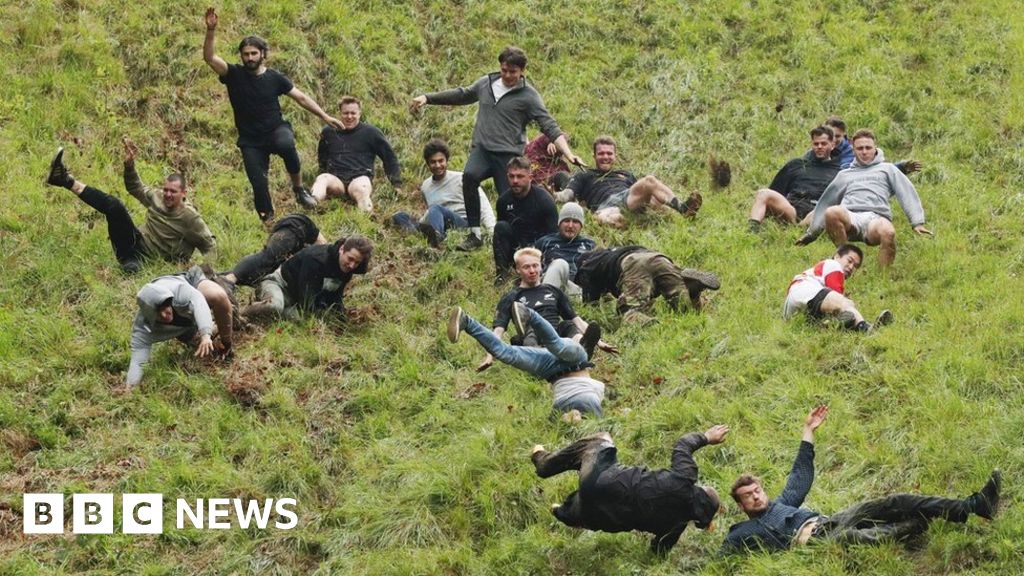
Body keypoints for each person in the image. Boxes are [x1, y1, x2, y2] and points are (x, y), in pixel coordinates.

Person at [722, 405, 1002, 553]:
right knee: (853, 538)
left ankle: (974, 506)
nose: (756, 496)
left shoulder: (783, 503)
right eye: (748, 495)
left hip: (829, 521)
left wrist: (808, 430)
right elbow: (723, 558)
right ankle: (916, 525)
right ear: (741, 505)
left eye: (756, 490)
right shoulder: (741, 533)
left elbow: (800, 474)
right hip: (817, 542)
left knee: (896, 501)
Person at [410, 46, 584, 251]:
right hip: (482, 149)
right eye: (504, 70)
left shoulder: (528, 96)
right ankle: (475, 234)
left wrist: (568, 153)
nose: (508, 75)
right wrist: (428, 98)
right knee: (469, 177)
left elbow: (549, 125)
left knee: (509, 199)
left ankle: (517, 241)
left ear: (522, 72)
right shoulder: (486, 83)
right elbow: (462, 94)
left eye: (513, 72)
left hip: (508, 155)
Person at [203, 7, 343, 222]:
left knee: (286, 144)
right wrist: (211, 30)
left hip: (276, 129)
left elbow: (301, 98)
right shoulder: (233, 74)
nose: (250, 58)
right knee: (258, 183)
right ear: (241, 56)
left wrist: (324, 116)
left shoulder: (275, 78)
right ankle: (268, 221)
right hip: (250, 140)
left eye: (254, 53)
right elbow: (210, 57)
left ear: (263, 55)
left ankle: (298, 189)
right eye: (246, 54)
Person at [530, 424, 729, 554]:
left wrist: (706, 437)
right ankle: (562, 512)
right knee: (590, 512)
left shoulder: (685, 479)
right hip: (603, 516)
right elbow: (658, 550)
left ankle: (544, 463)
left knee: (601, 440)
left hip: (601, 480)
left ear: (700, 491)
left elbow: (683, 445)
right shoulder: (676, 525)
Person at [45, 139, 216, 274]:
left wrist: (203, 272)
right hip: (133, 243)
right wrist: (129, 166)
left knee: (132, 270)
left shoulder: (190, 218)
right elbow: (135, 187)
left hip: (150, 261)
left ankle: (130, 263)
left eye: (173, 192)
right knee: (114, 205)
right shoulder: (157, 197)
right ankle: (65, 180)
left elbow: (209, 246)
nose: (168, 195)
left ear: (184, 193)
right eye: (166, 190)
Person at [797, 129, 932, 268]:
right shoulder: (845, 174)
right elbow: (825, 202)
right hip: (850, 216)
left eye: (868, 148)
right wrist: (812, 233)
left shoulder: (888, 169)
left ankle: (883, 277)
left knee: (888, 232)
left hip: (875, 218)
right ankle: (844, 261)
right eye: (860, 148)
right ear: (853, 150)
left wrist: (917, 222)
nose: (864, 151)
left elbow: (906, 192)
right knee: (832, 212)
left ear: (875, 148)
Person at [448, 302, 606, 417]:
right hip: (578, 360)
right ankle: (529, 314)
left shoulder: (558, 413)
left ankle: (467, 322)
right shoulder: (593, 405)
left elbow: (556, 424)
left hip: (550, 371)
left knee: (507, 353)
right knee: (556, 345)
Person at [478, 248, 616, 373]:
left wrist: (598, 342)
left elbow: (577, 320)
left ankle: (582, 347)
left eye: (535, 266)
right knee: (527, 334)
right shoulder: (511, 297)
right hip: (531, 338)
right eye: (526, 267)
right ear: (517, 270)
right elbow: (498, 331)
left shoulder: (553, 291)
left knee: (567, 325)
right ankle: (540, 360)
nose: (532, 271)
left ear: (541, 267)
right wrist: (490, 356)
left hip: (557, 336)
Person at [554, 136, 702, 229]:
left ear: (615, 156)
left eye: (609, 153)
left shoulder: (625, 174)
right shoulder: (584, 175)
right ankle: (629, 223)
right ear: (594, 156)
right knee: (609, 218)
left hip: (627, 199)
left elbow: (642, 195)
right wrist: (553, 195)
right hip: (605, 205)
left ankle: (683, 209)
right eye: (601, 153)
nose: (605, 157)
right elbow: (567, 195)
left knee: (650, 184)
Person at [128, 266, 234, 388]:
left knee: (218, 296)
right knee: (207, 349)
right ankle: (214, 326)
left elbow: (198, 300)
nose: (164, 314)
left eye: (165, 306)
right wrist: (130, 388)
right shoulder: (143, 328)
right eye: (158, 312)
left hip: (193, 286)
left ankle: (227, 341)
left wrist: (206, 334)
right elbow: (137, 360)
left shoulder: (177, 290)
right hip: (186, 327)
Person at [391, 138, 495, 248]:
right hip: (440, 223)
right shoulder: (426, 186)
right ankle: (421, 235)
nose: (437, 165)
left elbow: (483, 205)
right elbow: (431, 212)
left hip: (462, 222)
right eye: (433, 162)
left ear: (446, 161)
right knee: (400, 216)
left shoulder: (462, 179)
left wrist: (492, 231)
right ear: (428, 164)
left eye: (441, 161)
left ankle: (436, 238)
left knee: (436, 208)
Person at [576, 246, 720, 324]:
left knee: (629, 311)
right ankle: (693, 291)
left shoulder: (588, 267)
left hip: (633, 264)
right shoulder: (615, 251)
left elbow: (591, 307)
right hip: (656, 257)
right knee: (685, 311)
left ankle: (650, 325)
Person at [241, 235, 372, 320]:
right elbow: (307, 301)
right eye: (350, 259)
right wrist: (323, 315)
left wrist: (342, 316)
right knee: (274, 306)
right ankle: (240, 313)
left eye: (357, 262)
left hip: (297, 299)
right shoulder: (317, 259)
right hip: (280, 285)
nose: (351, 265)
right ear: (342, 249)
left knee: (300, 319)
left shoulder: (350, 267)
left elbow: (335, 297)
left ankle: (272, 314)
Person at [310, 96, 402, 213]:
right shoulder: (328, 131)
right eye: (345, 113)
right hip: (336, 180)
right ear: (340, 113)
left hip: (359, 178)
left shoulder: (371, 133)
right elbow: (322, 156)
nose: (349, 117)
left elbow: (389, 157)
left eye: (353, 113)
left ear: (359, 113)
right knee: (322, 179)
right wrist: (322, 171)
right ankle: (311, 204)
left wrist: (396, 183)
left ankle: (367, 218)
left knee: (361, 189)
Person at [748, 126, 841, 232]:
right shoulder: (796, 165)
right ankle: (752, 231)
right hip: (792, 211)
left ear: (832, 145)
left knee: (825, 211)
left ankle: (800, 229)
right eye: (816, 144)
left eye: (823, 144)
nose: (819, 147)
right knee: (763, 193)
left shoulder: (840, 172)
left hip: (818, 212)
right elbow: (775, 191)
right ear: (812, 145)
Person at [784, 244, 892, 332]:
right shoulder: (833, 264)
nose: (851, 267)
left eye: (855, 267)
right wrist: (847, 304)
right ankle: (866, 328)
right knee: (846, 304)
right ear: (837, 256)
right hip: (805, 290)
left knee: (843, 316)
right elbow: (836, 296)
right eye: (849, 261)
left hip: (793, 309)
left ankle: (831, 325)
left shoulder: (820, 272)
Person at [493, 157, 558, 283]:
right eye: (511, 176)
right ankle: (502, 275)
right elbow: (501, 236)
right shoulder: (503, 201)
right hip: (517, 248)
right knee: (500, 227)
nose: (515, 181)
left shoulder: (544, 200)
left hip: (539, 249)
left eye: (520, 176)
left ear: (530, 177)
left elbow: (554, 237)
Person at [220, 213, 327, 288]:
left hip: (298, 240)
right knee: (267, 257)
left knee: (261, 273)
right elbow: (320, 246)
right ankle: (230, 279)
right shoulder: (328, 257)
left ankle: (217, 278)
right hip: (297, 227)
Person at [534, 203, 596, 297]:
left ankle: (544, 304)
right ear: (559, 223)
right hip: (549, 283)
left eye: (575, 222)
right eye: (566, 221)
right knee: (559, 264)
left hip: (576, 291)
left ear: (581, 225)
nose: (570, 226)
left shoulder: (590, 244)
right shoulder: (544, 242)